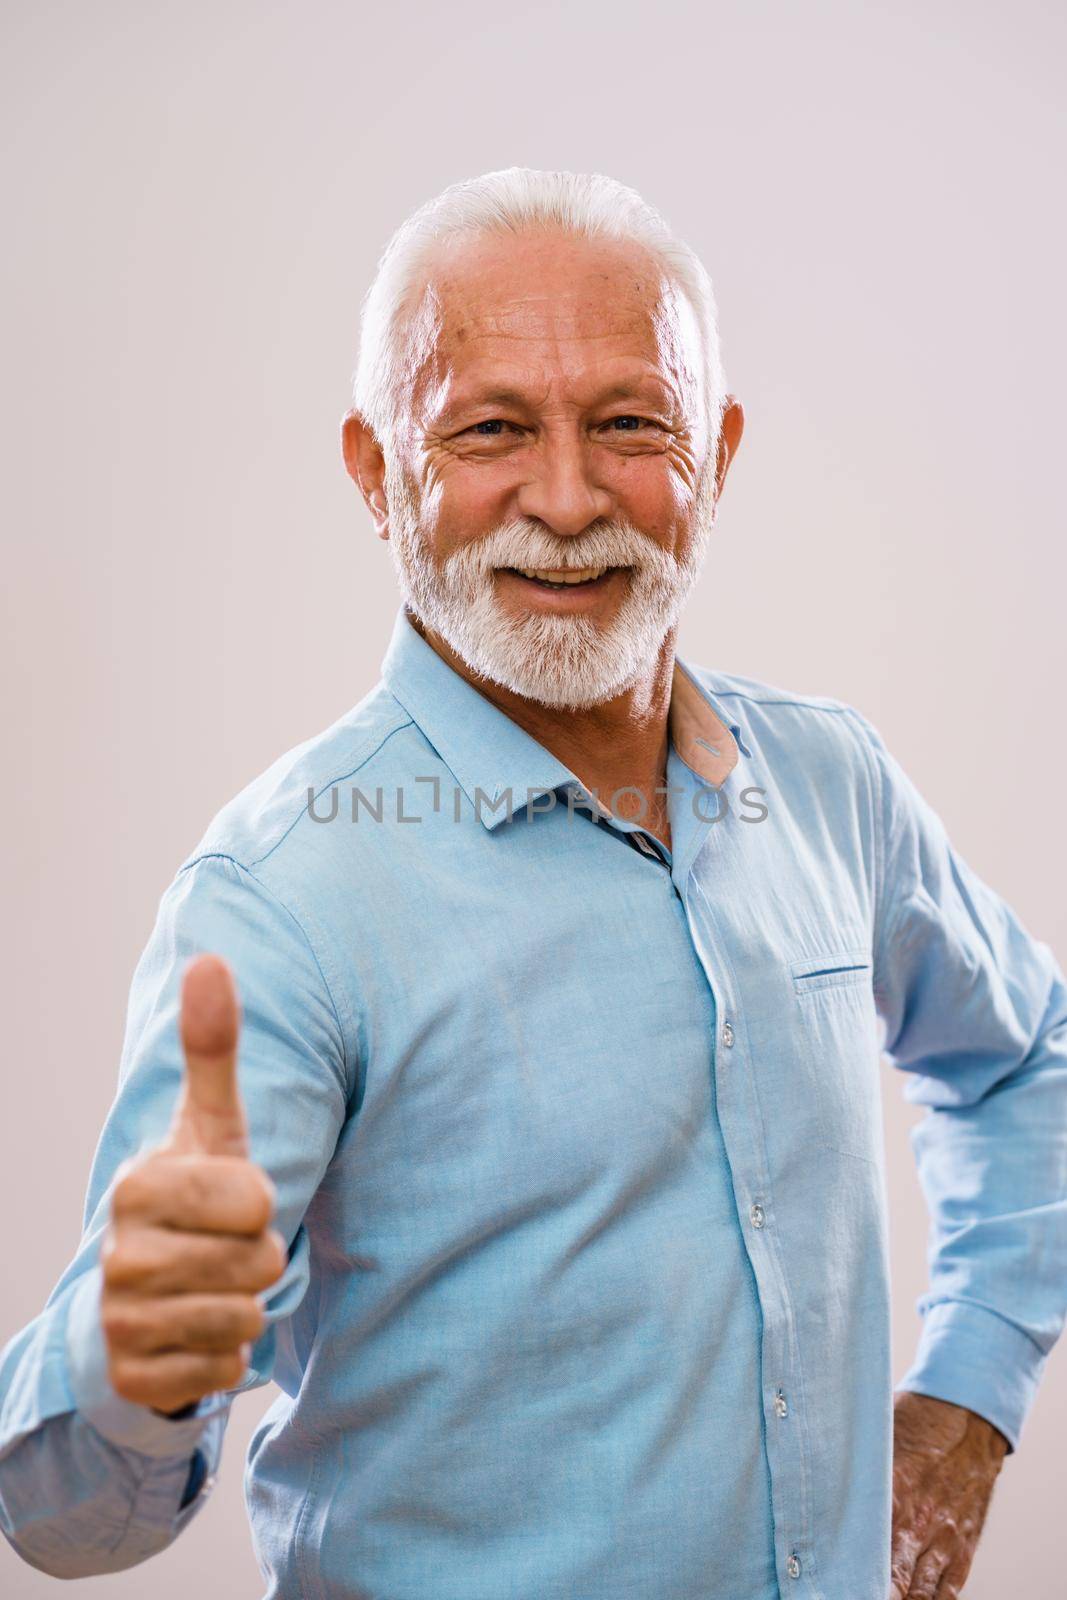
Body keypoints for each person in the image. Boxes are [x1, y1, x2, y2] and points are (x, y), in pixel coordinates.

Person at [1, 168, 1064, 1600]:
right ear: (377, 474)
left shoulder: (830, 784)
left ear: (720, 454)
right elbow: (68, 1526)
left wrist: (971, 1394)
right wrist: (125, 1364)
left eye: (631, 425)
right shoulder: (283, 899)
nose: (566, 501)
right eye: (489, 429)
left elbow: (1028, 1065)